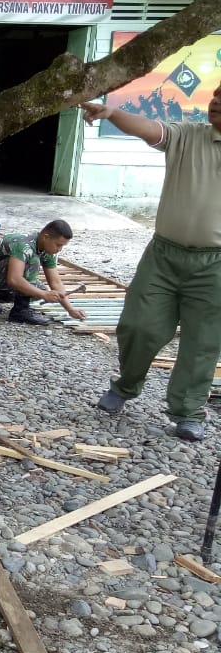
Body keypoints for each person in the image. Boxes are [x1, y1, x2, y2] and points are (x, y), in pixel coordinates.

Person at [82, 86, 221, 441]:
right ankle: (126, 384)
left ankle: (188, 411)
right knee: (137, 325)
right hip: (163, 256)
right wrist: (112, 113)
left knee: (202, 342)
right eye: (216, 96)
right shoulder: (189, 135)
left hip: (215, 265)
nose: (216, 102)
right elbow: (150, 128)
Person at [0, 219, 86, 325]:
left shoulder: (47, 251)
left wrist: (70, 310)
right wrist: (44, 295)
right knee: (33, 262)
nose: (59, 249)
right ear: (46, 237)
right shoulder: (25, 246)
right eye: (58, 245)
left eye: (62, 246)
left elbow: (55, 283)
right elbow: (14, 279)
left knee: (39, 288)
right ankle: (20, 311)